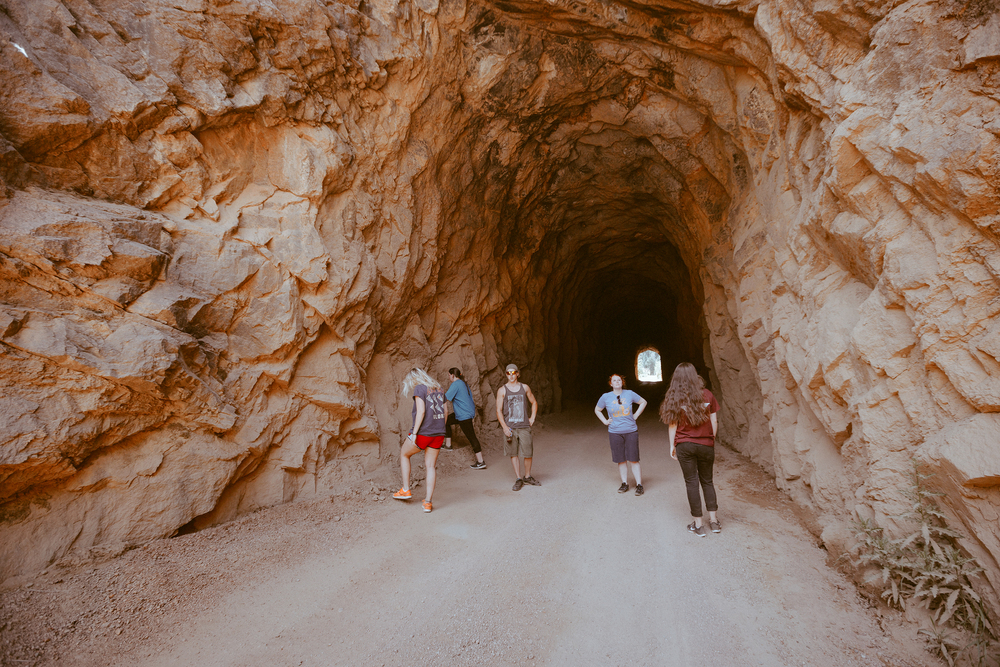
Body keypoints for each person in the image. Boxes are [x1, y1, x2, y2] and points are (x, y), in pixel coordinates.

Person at [659, 362, 721, 537]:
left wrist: (672, 445)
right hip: (706, 444)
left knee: (691, 483)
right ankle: (714, 522)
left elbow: (673, 425)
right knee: (707, 481)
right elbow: (714, 422)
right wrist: (710, 440)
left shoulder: (675, 398)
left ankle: (699, 525)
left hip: (685, 445)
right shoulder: (708, 395)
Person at [393, 368, 447, 513]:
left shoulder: (420, 388)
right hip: (439, 433)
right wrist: (440, 427)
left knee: (404, 454)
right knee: (430, 466)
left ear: (415, 378)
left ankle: (405, 489)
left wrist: (415, 433)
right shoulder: (439, 388)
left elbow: (421, 411)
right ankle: (428, 503)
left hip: (424, 433)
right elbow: (446, 411)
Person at [594, 374, 648, 496]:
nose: (617, 382)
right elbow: (597, 410)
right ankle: (624, 483)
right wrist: (605, 421)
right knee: (621, 460)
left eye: (619, 380)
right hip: (615, 432)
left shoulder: (629, 393)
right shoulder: (606, 397)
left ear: (622, 382)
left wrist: (636, 415)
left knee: (634, 459)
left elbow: (643, 402)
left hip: (631, 431)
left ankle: (639, 485)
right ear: (611, 383)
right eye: (614, 380)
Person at [496, 363, 539, 491]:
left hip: (524, 426)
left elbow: (534, 402)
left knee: (528, 453)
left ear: (518, 374)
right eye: (508, 373)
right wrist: (504, 427)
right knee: (513, 453)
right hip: (510, 428)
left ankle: (527, 476)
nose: (511, 375)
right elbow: (498, 410)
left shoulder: (524, 388)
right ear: (506, 375)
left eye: (513, 372)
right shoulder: (502, 390)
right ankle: (518, 478)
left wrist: (532, 418)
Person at [444, 367, 487, 469]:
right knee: (446, 420)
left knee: (471, 437)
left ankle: (481, 461)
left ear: (453, 375)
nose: (449, 377)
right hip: (465, 413)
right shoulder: (464, 383)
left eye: (449, 375)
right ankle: (448, 445)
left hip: (463, 415)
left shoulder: (456, 384)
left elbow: (445, 398)